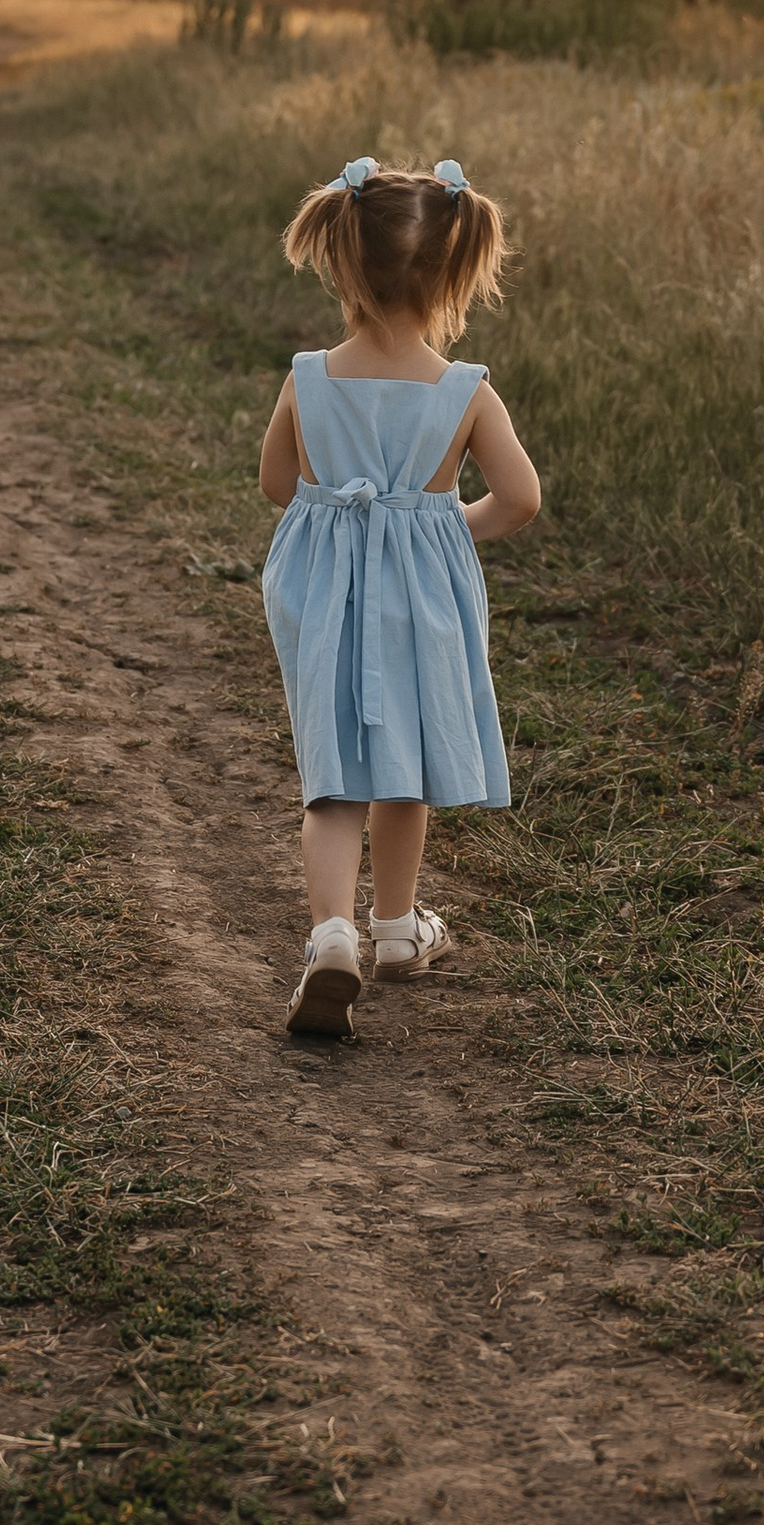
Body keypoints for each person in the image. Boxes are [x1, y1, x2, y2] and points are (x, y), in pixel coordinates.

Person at [257, 153, 542, 1037]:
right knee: (403, 765)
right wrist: (442, 523)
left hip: (321, 596)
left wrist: (343, 503)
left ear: (340, 262)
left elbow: (276, 484)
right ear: (457, 271)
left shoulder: (307, 377)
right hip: (418, 602)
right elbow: (522, 499)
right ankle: (395, 931)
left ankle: (331, 933)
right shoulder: (464, 392)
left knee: (334, 780)